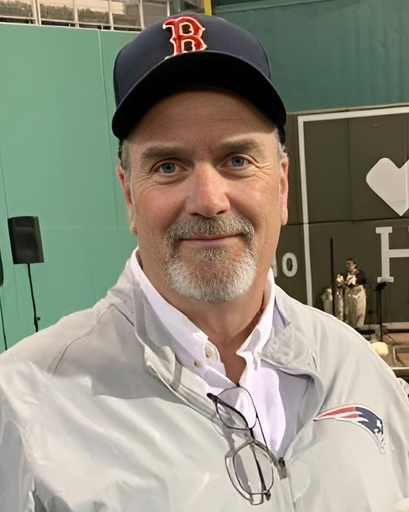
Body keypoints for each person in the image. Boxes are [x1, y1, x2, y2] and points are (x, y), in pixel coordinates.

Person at [0, 13, 409, 512]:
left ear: (281, 185)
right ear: (129, 195)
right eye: (168, 166)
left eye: (237, 160)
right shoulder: (26, 404)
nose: (209, 200)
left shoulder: (356, 368)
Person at [337, 257, 367, 328]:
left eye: (350, 264)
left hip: (358, 294)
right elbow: (340, 283)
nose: (348, 266)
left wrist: (352, 282)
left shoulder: (360, 273)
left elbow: (360, 281)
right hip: (349, 295)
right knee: (348, 312)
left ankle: (358, 327)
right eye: (347, 264)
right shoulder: (344, 274)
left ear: (354, 265)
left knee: (358, 310)